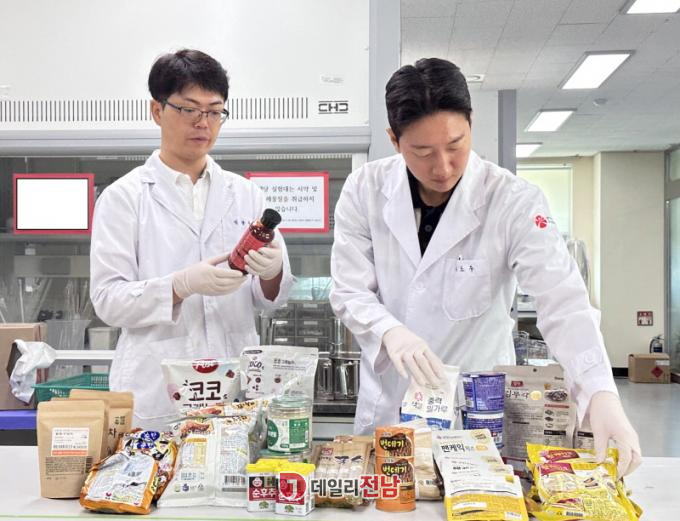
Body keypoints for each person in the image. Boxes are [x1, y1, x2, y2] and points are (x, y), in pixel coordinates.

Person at [330, 58, 641, 476]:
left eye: (455, 145)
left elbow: (563, 301)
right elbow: (348, 290)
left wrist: (600, 390)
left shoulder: (513, 200)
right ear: (394, 140)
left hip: (477, 417)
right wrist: (390, 331)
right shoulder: (365, 190)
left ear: (471, 123)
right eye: (422, 152)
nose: (443, 167)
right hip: (391, 407)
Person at [90, 49, 294, 429]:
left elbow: (269, 299)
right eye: (189, 109)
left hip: (233, 387)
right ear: (157, 110)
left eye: (215, 111)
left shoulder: (245, 194)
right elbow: (108, 301)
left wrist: (273, 271)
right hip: (157, 392)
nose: (203, 123)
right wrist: (179, 286)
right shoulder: (124, 198)